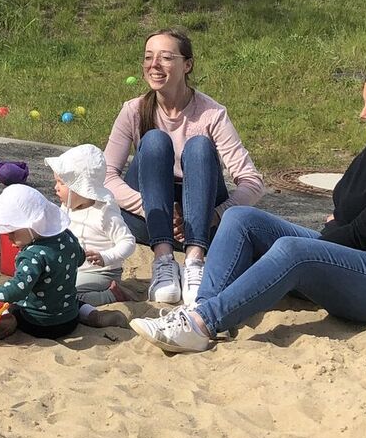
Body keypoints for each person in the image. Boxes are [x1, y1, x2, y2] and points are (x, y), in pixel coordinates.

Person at [132, 63, 366, 354]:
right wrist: (342, 223)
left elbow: (365, 235)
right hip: (356, 255)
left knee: (293, 251)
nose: (364, 114)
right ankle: (203, 306)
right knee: (241, 218)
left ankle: (202, 325)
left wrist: (335, 231)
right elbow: (344, 197)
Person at [104, 27, 263, 309]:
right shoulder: (133, 110)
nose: (154, 65)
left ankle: (194, 261)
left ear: (187, 64)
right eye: (148, 57)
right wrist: (155, 208)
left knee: (200, 146)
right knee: (154, 141)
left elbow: (252, 182)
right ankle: (163, 260)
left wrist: (212, 215)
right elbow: (104, 176)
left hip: (201, 219)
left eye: (165, 58)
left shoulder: (212, 113)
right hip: (150, 218)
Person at [0, 183, 126, 337]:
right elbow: (80, 258)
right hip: (70, 318)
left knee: (10, 306)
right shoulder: (67, 237)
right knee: (75, 302)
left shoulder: (32, 255)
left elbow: (18, 289)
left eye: (12, 232)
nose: (8, 237)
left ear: (32, 226)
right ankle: (94, 315)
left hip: (38, 324)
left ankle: (9, 322)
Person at [47, 143, 137, 303]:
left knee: (67, 294)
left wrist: (106, 257)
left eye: (61, 182)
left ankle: (111, 295)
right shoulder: (66, 206)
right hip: (75, 269)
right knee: (51, 287)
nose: (56, 187)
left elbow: (128, 241)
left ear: (80, 186)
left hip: (102, 272)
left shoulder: (104, 213)